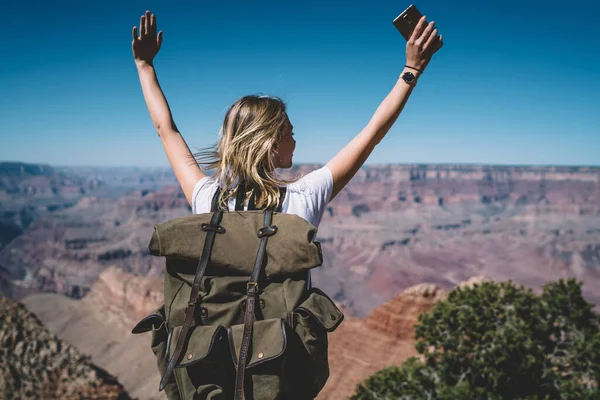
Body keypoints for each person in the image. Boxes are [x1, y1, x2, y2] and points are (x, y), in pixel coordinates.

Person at [132, 10, 443, 225]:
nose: (296, 139)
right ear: (270, 142)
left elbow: (166, 130)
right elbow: (373, 132)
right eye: (289, 133)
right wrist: (412, 69)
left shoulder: (206, 198)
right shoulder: (304, 197)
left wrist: (145, 67)